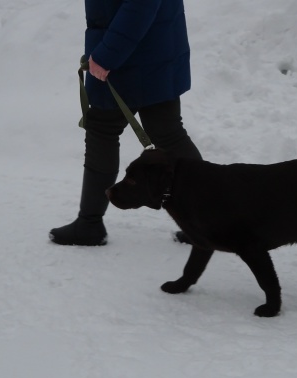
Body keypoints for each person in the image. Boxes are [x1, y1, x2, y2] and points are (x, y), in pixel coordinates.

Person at [49, 0, 202, 246]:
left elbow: (141, 4)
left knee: (103, 129)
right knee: (167, 133)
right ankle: (207, 220)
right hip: (154, 47)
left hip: (129, 55)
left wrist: (107, 54)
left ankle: (89, 224)